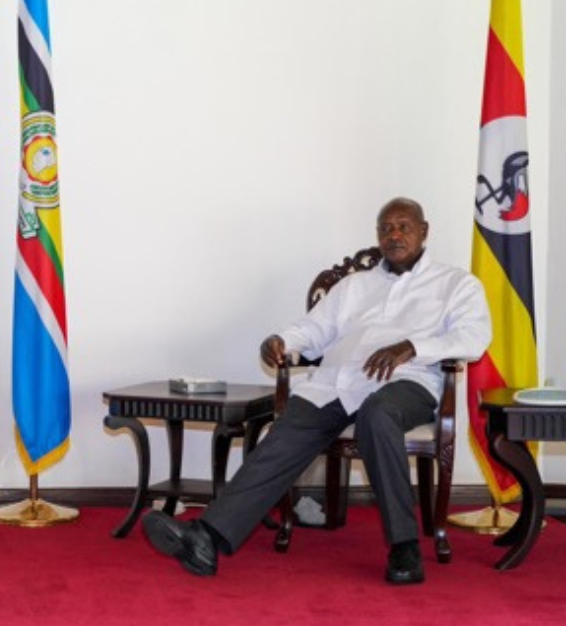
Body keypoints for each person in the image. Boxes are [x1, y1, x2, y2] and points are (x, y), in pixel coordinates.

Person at [142, 197, 491, 585]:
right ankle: (207, 537)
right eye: (386, 228)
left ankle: (405, 547)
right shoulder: (354, 286)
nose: (394, 234)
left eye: (404, 226)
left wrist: (411, 347)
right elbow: (313, 330)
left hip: (407, 382)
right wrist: (282, 340)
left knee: (379, 415)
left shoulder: (456, 284)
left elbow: (473, 338)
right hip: (338, 384)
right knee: (287, 431)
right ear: (377, 236)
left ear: (424, 231)